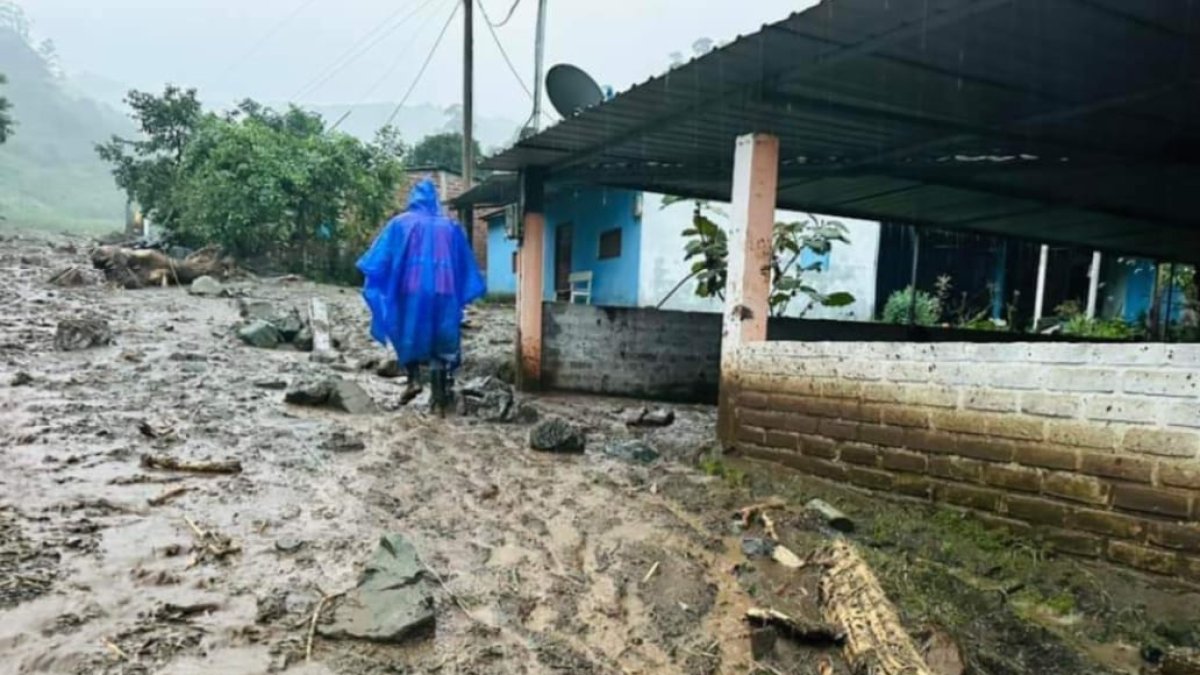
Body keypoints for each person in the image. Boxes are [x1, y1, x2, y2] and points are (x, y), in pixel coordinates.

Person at [357, 178, 486, 414]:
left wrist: (378, 279)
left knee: (407, 332)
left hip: (411, 289)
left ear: (413, 199)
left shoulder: (400, 224)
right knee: (440, 338)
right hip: (444, 291)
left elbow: (381, 258)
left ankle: (413, 380)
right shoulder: (450, 226)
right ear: (434, 200)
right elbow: (463, 264)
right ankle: (438, 398)